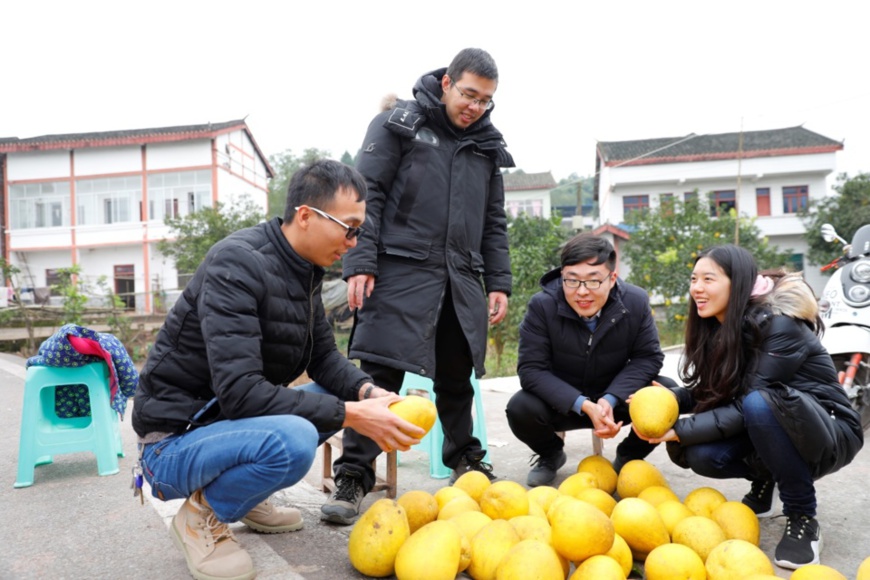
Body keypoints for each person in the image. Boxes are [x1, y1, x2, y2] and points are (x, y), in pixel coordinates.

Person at [132, 160, 423, 580]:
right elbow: (240, 392)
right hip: (173, 442)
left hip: (226, 426)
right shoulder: (237, 264)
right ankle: (201, 516)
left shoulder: (303, 273)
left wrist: (368, 393)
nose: (354, 242)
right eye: (350, 228)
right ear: (306, 216)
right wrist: (353, 415)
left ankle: (246, 494)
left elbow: (323, 359)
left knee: (326, 402)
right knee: (296, 436)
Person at [321, 47, 514, 524]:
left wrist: (499, 281)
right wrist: (360, 260)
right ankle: (354, 475)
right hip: (399, 271)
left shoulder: (488, 146)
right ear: (447, 83)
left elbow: (493, 221)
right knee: (378, 376)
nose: (475, 106)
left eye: (485, 100)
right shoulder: (397, 124)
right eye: (468, 94)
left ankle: (465, 459)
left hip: (461, 276)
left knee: (457, 377)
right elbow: (367, 195)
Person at [635, 245, 863, 569]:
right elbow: (721, 390)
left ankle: (802, 515)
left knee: (757, 405)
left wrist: (680, 429)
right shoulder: (722, 325)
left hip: (829, 428)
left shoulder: (780, 325)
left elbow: (748, 404)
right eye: (693, 278)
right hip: (775, 420)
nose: (697, 288)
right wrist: (672, 399)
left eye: (708, 279)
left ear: (737, 283)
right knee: (703, 455)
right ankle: (768, 478)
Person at [505, 232, 671, 487]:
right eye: (571, 281)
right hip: (563, 404)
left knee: (667, 393)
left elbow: (647, 358)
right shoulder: (542, 306)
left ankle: (628, 456)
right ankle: (550, 454)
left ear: (612, 278)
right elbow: (531, 369)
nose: (582, 292)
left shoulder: (635, 302)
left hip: (614, 400)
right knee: (520, 407)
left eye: (593, 281)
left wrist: (610, 398)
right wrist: (582, 404)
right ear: (562, 277)